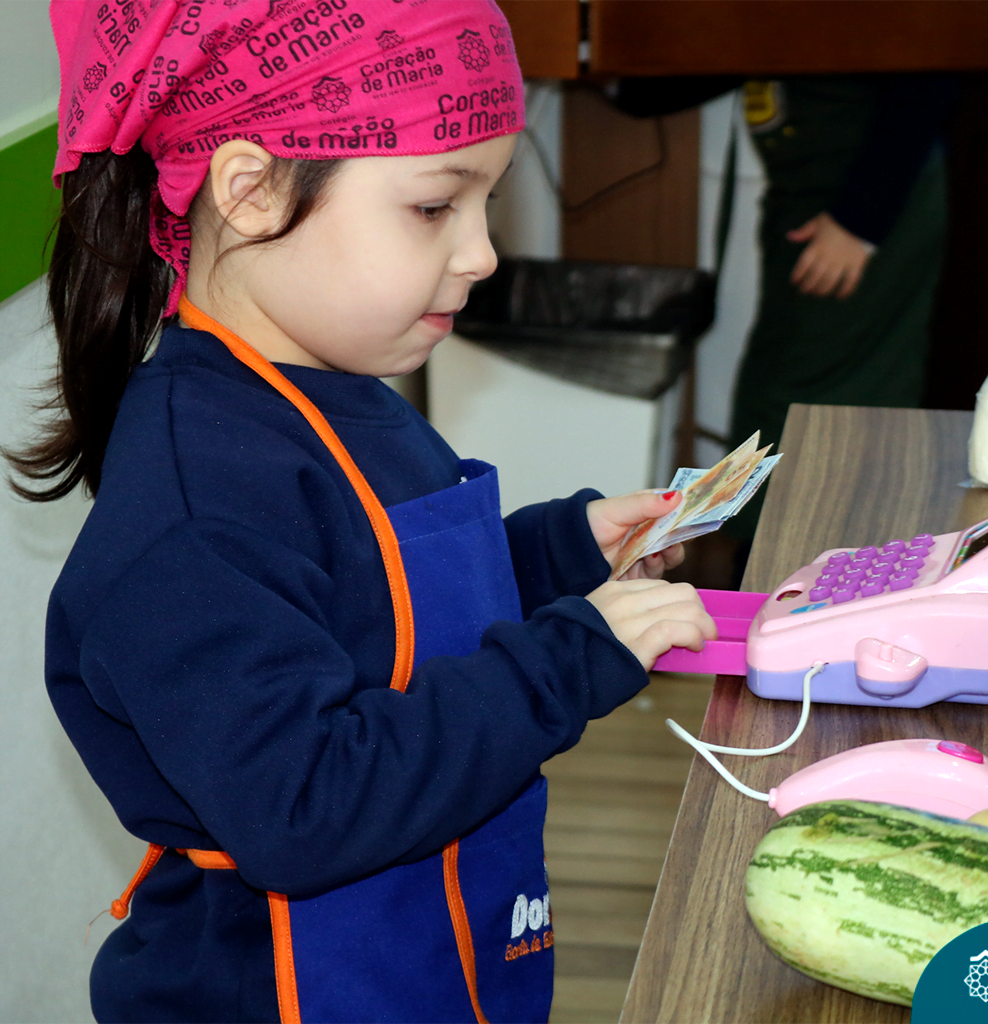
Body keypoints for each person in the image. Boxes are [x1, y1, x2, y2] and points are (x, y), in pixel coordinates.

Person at [12, 2, 714, 1022]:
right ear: (251, 193)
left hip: (439, 951)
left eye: (486, 203)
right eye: (434, 207)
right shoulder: (194, 506)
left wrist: (560, 553)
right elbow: (304, 806)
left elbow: (381, 610)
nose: (481, 254)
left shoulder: (344, 390)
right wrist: (565, 662)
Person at [725, 74, 957, 556]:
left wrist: (860, 220)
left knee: (834, 409)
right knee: (776, 399)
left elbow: (926, 69)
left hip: (863, 206)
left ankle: (825, 572)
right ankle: (763, 572)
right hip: (809, 198)